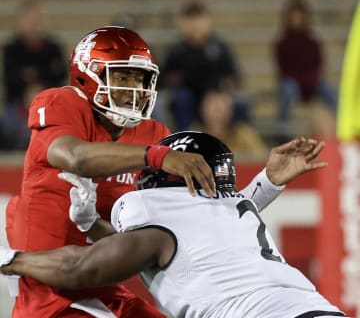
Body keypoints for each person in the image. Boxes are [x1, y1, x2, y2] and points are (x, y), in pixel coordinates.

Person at [0, 131, 348, 318]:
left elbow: (81, 268)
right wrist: (92, 224)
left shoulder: (161, 222)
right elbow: (178, 243)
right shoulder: (232, 208)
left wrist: (12, 260)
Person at [4, 25, 218, 318]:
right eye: (122, 76)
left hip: (104, 288)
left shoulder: (153, 132)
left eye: (139, 79)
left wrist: (266, 185)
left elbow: (147, 235)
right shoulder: (62, 102)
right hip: (48, 293)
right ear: (88, 74)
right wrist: (155, 156)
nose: (134, 89)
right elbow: (74, 156)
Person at [155, 0, 249, 131]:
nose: (194, 26)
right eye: (190, 21)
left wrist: (222, 92)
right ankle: (187, 136)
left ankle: (241, 139)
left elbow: (233, 76)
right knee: (181, 98)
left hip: (216, 94)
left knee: (239, 102)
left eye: (198, 20)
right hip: (189, 97)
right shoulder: (177, 50)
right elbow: (163, 80)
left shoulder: (219, 47)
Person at [1, 0, 67, 150]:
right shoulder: (12, 48)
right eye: (29, 18)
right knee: (14, 126)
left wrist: (38, 89)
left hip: (49, 102)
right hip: (18, 104)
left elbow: (60, 74)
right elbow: (11, 77)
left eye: (36, 18)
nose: (33, 23)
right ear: (21, 20)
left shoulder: (53, 47)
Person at [273, 0, 338, 131]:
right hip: (293, 82)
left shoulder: (313, 42)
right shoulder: (282, 43)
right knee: (287, 90)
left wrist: (310, 81)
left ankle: (342, 126)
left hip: (312, 81)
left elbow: (318, 65)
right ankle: (281, 130)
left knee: (332, 94)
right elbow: (284, 70)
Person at [190, 90, 268, 161]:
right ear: (202, 111)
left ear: (231, 112)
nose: (217, 114)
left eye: (221, 108)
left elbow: (261, 158)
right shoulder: (192, 135)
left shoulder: (244, 134)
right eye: (214, 108)